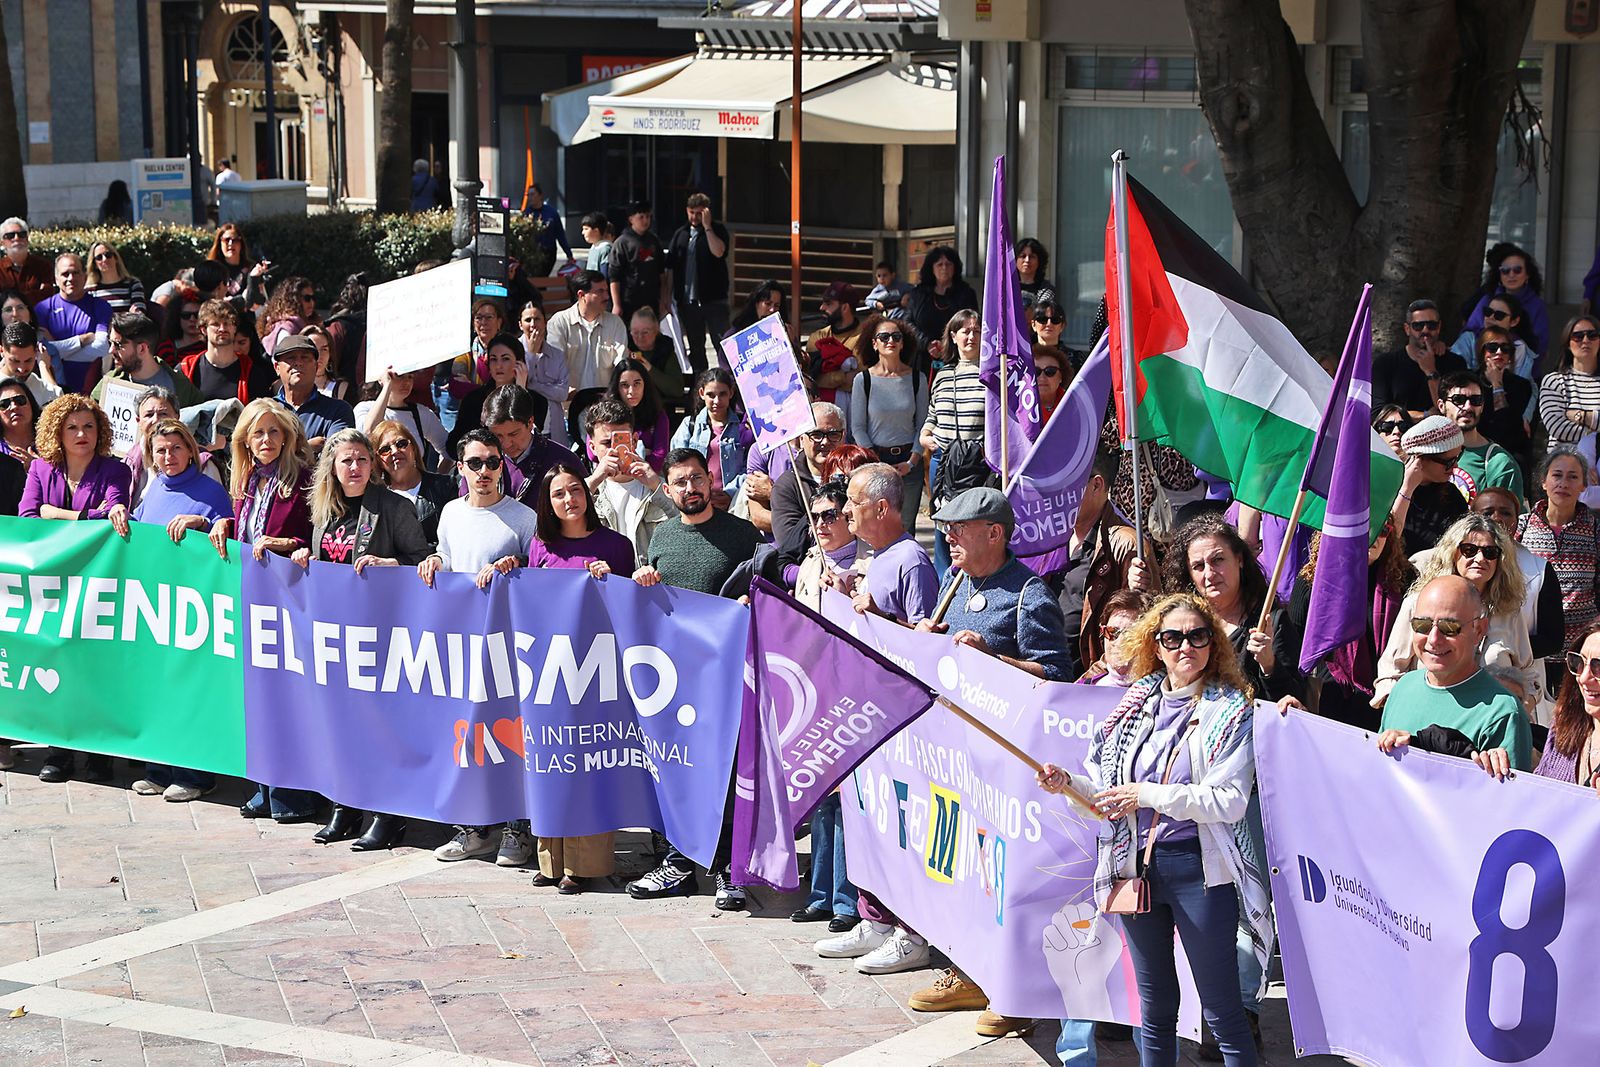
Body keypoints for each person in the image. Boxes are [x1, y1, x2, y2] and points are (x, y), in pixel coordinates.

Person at [1037, 593, 1270, 1067]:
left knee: (1222, 1012)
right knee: (1154, 1011)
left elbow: (1228, 802)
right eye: (1173, 637)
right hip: (1137, 870)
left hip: (1200, 874)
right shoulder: (1134, 705)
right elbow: (1106, 794)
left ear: (1213, 644)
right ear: (1156, 646)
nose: (1186, 646)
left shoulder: (1232, 709)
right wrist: (1067, 784)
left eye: (1198, 636)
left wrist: (1147, 794)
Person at [628, 448, 763, 907]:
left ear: (711, 482)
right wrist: (642, 577)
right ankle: (679, 863)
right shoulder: (661, 537)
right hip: (671, 678)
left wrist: (750, 603)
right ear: (667, 490)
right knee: (673, 768)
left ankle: (728, 869)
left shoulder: (743, 535)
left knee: (723, 773)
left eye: (698, 479)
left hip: (726, 679)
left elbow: (766, 590)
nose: (691, 488)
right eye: (681, 482)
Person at [290, 428, 432, 850]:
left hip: (380, 634)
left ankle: (387, 814)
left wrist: (392, 563)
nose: (355, 468)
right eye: (347, 460)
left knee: (379, 727)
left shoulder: (393, 507)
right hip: (335, 636)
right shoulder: (324, 510)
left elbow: (424, 561)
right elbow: (325, 560)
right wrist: (303, 555)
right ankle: (346, 806)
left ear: (373, 465)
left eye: (362, 460)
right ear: (332, 467)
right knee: (342, 726)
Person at [418, 428, 542, 866]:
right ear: (460, 468)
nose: (485, 471)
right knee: (468, 735)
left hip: (509, 648)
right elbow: (448, 563)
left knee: (509, 735)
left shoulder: (524, 517)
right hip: (462, 645)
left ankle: (517, 828)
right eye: (476, 463)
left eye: (493, 462)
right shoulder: (450, 512)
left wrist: (517, 566)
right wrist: (435, 559)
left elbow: (541, 572)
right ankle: (473, 828)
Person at [525, 465, 633, 892]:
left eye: (575, 490)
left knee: (588, 764)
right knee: (551, 762)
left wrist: (613, 582)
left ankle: (585, 866)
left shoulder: (617, 546)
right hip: (549, 671)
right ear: (547, 505)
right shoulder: (540, 546)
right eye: (558, 494)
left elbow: (632, 604)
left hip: (597, 670)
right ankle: (551, 861)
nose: (569, 499)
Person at [20, 394, 133, 784]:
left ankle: (99, 753)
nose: (81, 434)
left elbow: (114, 512)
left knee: (96, 664)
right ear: (58, 432)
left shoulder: (115, 470)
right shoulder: (39, 468)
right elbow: (28, 516)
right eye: (72, 427)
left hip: (99, 581)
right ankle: (60, 750)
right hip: (52, 582)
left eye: (88, 426)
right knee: (58, 661)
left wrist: (63, 515)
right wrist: (85, 516)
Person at [128, 416, 235, 802]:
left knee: (191, 691)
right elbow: (141, 530)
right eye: (161, 450)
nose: (169, 455)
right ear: (151, 456)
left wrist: (204, 521)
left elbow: (229, 528)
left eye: (176, 448)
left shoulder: (210, 489)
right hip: (156, 605)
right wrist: (123, 517)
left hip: (195, 607)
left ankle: (196, 775)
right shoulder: (153, 487)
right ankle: (159, 769)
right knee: (159, 690)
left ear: (192, 450)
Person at [1372, 514, 1533, 709]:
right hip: (1427, 718)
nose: (1480, 558)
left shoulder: (1509, 611)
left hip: (1490, 723)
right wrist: (1404, 713)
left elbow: (1530, 676)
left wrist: (1520, 708)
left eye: (1490, 552)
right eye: (1469, 550)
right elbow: (1390, 671)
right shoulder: (1420, 602)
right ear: (1453, 553)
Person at [1378, 575, 1532, 770]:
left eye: (1449, 627)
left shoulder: (1502, 713)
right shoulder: (1403, 688)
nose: (1434, 639)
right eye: (1422, 625)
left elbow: (1508, 798)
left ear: (1479, 630)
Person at [1286, 521, 1415, 731]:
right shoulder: (1313, 581)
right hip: (1332, 698)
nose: (1373, 537)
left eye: (1382, 530)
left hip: (1388, 699)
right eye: (1364, 527)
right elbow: (1293, 647)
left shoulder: (1406, 579)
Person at [1164, 514, 1299, 703]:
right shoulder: (1180, 623)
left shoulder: (1272, 622)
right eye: (1198, 566)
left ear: (1240, 559)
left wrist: (1269, 665)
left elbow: (1293, 703)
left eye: (1218, 560)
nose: (1209, 574)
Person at [1056, 450, 1152, 679]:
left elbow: (1137, 630)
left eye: (1065, 487)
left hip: (1086, 689)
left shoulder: (1127, 543)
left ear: (1096, 485)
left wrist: (1086, 684)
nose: (1056, 497)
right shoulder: (1049, 537)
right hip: (1046, 677)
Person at [1518, 448, 1600, 698]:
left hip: (1580, 656)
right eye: (1557, 475)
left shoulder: (1595, 529)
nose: (1564, 483)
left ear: (1584, 485)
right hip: (1532, 650)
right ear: (1543, 482)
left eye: (1573, 477)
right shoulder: (1522, 526)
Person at [921, 309, 986, 574]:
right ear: (953, 336)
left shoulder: (992, 375)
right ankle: (943, 593)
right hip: (942, 463)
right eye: (965, 331)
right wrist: (924, 436)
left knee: (973, 533)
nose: (971, 336)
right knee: (943, 535)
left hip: (976, 466)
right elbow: (932, 415)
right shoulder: (943, 375)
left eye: (977, 331)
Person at [849, 315, 928, 531]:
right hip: (875, 461)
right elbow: (857, 427)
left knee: (905, 527)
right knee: (877, 526)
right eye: (883, 337)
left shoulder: (916, 379)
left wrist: (911, 461)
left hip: (909, 462)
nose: (890, 341)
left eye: (896, 336)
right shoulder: (863, 380)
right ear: (874, 344)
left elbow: (924, 423)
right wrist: (877, 462)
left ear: (903, 343)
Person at [582, 400, 675, 571]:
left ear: (634, 440)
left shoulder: (656, 486)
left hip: (650, 586)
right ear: (592, 448)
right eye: (606, 443)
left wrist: (656, 485)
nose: (614, 450)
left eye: (620, 440)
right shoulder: (585, 491)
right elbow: (555, 523)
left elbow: (686, 526)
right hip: (605, 585)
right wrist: (595, 480)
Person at [844, 462, 938, 624]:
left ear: (881, 508)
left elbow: (926, 639)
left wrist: (880, 616)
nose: (846, 509)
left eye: (854, 502)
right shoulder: (882, 551)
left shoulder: (912, 562)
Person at [668, 367, 753, 510]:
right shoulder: (689, 425)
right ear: (702, 394)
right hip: (696, 501)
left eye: (722, 394)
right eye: (711, 395)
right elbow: (675, 465)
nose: (717, 401)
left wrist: (730, 492)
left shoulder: (743, 427)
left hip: (733, 503)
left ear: (731, 393)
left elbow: (750, 465)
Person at [443, 334, 537, 463]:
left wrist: (520, 392)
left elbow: (536, 443)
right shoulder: (473, 400)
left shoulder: (537, 401)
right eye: (494, 359)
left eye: (505, 359)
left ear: (519, 363)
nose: (499, 365)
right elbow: (454, 446)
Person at [483, 384, 586, 502]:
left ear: (530, 422)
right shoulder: (480, 463)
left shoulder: (563, 460)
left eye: (513, 434)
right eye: (498, 436)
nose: (506, 444)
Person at [1529, 621, 1600, 791]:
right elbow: (1537, 797)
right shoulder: (1563, 725)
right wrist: (1498, 770)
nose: (1583, 678)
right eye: (1579, 662)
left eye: (1599, 667)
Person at [771, 402, 846, 561]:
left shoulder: (857, 476)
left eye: (833, 434)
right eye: (816, 434)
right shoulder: (787, 485)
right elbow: (789, 543)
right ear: (801, 438)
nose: (825, 442)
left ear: (843, 435)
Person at [666, 192, 730, 372]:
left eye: (699, 213)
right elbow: (670, 269)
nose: (695, 217)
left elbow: (719, 251)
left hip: (714, 300)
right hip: (689, 302)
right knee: (696, 347)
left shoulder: (717, 230)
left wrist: (707, 227)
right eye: (692, 212)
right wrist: (667, 298)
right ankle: (699, 385)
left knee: (722, 344)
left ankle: (728, 381)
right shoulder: (680, 234)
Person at [1371, 299, 1466, 420]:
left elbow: (1454, 410)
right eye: (1418, 326)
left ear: (1439, 327)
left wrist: (1431, 372)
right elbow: (1378, 413)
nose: (1425, 330)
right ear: (1407, 329)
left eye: (1431, 325)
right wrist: (1426, 416)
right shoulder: (1386, 363)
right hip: (1399, 436)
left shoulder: (1455, 363)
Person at [1387, 415, 1468, 556]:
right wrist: (1407, 489)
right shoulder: (1387, 488)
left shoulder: (1451, 496)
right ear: (1420, 459)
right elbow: (1389, 541)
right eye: (1449, 461)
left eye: (1458, 457)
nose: (1456, 465)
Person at [34, 253, 114, 394]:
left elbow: (102, 347)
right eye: (65, 274)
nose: (71, 278)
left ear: (84, 275)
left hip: (92, 389)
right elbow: (42, 351)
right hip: (54, 390)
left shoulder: (100, 306)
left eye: (75, 272)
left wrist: (57, 352)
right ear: (56, 279)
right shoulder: (42, 309)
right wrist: (83, 340)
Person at [1435, 371, 1522, 500]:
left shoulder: (1500, 463)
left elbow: (1505, 517)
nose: (1468, 407)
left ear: (1482, 407)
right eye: (1458, 400)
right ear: (1441, 406)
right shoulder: (1426, 454)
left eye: (1476, 400)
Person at [371, 418, 459, 542]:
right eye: (385, 450)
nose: (395, 451)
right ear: (378, 460)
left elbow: (454, 538)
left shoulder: (445, 486)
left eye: (401, 444)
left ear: (414, 448)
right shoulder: (374, 498)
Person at [93, 311, 203, 408]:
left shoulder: (179, 386)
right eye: (110, 343)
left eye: (118, 345)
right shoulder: (109, 384)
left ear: (142, 349)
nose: (111, 350)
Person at [1462, 242, 1549, 357]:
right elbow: (1469, 332)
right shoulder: (1487, 299)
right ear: (1499, 274)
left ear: (1528, 274)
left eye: (1517, 270)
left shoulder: (1537, 305)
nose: (1511, 275)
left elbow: (1540, 347)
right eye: (1505, 270)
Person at [549, 270, 628, 397]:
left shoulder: (615, 324)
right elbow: (554, 364)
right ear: (582, 295)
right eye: (600, 291)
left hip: (605, 402)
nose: (607, 296)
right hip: (569, 403)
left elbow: (621, 364)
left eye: (606, 291)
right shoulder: (559, 323)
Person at [178, 299, 274, 403]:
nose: (222, 329)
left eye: (227, 323)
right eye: (215, 324)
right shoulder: (186, 370)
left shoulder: (252, 372)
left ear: (235, 328)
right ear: (203, 329)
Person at [271, 334, 355, 452]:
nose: (298, 363)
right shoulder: (266, 411)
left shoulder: (338, 411)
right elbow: (260, 456)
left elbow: (336, 455)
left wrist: (281, 450)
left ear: (316, 366)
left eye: (305, 357)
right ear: (277, 367)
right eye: (291, 358)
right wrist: (306, 447)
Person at [1471, 326, 1534, 472]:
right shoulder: (1469, 381)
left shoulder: (1521, 386)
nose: (1499, 352)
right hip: (1475, 450)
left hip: (1509, 452)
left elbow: (1507, 425)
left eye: (1505, 349)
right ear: (1482, 351)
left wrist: (1497, 385)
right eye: (1492, 347)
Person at [1536, 315, 1600, 444]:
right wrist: (1595, 434)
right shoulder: (1554, 381)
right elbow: (1557, 427)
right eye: (1578, 336)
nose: (1585, 340)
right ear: (1568, 344)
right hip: (1564, 460)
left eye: (1592, 335)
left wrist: (1580, 416)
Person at [906, 247, 979, 359]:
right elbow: (908, 323)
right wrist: (927, 343)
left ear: (955, 267)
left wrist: (947, 345)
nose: (944, 268)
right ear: (932, 268)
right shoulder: (919, 294)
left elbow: (973, 323)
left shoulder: (966, 293)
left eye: (948, 264)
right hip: (922, 357)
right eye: (939, 264)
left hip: (956, 356)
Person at [609, 200, 671, 327]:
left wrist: (663, 299)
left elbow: (661, 273)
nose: (645, 220)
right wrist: (616, 304)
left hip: (651, 297)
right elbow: (614, 276)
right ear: (631, 219)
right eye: (641, 217)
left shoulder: (654, 241)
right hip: (630, 299)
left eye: (648, 216)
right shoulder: (622, 242)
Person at [518, 302, 571, 445]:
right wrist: (531, 354)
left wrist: (534, 385)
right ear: (520, 324)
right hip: (524, 428)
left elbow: (562, 394)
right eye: (528, 320)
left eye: (537, 319)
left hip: (554, 428)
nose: (533, 324)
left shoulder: (557, 355)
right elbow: (521, 387)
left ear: (545, 323)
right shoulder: (513, 352)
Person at [626, 307, 687, 421]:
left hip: (660, 411)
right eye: (635, 332)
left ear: (656, 330)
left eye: (645, 332)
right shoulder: (626, 349)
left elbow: (677, 389)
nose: (640, 337)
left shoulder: (665, 351)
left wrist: (649, 369)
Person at [2, 321, 61, 407]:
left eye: (28, 360)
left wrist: (44, 367)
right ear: (1, 351)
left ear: (36, 352)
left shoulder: (46, 389)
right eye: (15, 361)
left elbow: (59, 407)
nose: (22, 369)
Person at [0, 217, 56, 305]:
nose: (17, 238)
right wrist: (34, 295)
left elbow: (47, 296)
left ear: (27, 239)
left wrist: (10, 298)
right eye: (10, 235)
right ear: (2, 242)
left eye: (22, 234)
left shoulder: (43, 266)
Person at [523, 183, 576, 267]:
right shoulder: (526, 213)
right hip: (532, 253)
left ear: (540, 196)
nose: (530, 198)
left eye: (532, 194)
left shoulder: (551, 213)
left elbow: (560, 234)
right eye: (528, 195)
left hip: (549, 252)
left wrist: (569, 254)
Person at [86, 242, 145, 314]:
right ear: (94, 264)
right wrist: (127, 315)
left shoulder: (133, 285)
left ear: (116, 258)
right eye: (99, 257)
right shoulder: (90, 291)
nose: (104, 259)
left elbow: (139, 316)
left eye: (108, 255)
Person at [0, 376, 41, 465]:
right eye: (4, 404)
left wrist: (40, 469)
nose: (14, 407)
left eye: (20, 400)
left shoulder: (52, 443)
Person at [1014, 237, 1056, 309]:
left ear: (1039, 261)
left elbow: (1042, 313)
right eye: (1023, 256)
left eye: (1032, 257)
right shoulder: (1008, 287)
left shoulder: (1045, 289)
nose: (1027, 260)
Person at [580, 211, 615, 278]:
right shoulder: (594, 247)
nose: (583, 232)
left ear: (596, 231)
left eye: (586, 229)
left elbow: (605, 275)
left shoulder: (605, 248)